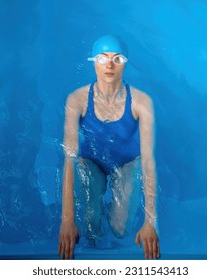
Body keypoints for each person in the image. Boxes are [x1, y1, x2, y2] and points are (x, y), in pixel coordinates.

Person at [58, 35, 160, 259]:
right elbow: (70, 158)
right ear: (93, 61)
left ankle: (110, 204)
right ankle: (97, 201)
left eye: (117, 58)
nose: (110, 65)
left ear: (126, 62)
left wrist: (151, 222)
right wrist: (67, 221)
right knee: (92, 231)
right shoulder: (77, 100)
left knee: (119, 230)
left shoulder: (141, 102)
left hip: (127, 164)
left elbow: (149, 160)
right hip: (91, 163)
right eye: (103, 58)